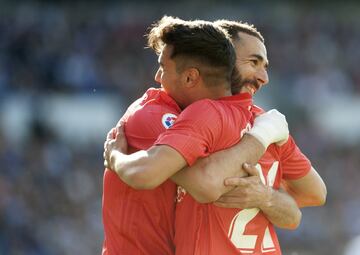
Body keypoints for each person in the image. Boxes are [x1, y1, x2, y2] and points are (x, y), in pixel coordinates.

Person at [104, 18, 326, 255]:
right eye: (253, 62)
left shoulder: (259, 122)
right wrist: (260, 138)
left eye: (265, 65)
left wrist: (264, 196)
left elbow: (309, 201)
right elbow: (205, 184)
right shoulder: (163, 114)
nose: (264, 77)